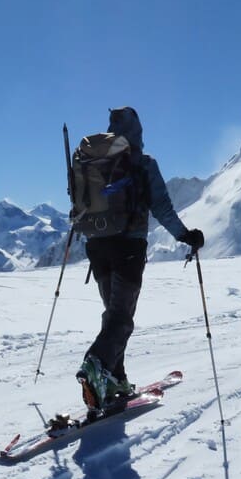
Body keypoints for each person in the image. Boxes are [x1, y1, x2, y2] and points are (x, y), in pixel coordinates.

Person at [76, 107, 204, 412]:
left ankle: (116, 380)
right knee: (121, 319)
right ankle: (96, 364)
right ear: (139, 133)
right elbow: (161, 207)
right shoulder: (142, 164)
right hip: (128, 249)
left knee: (113, 315)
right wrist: (186, 235)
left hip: (97, 249)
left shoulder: (94, 161)